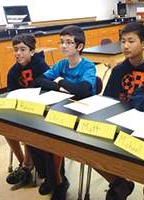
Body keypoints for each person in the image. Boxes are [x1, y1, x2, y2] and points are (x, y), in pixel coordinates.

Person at [32, 25, 96, 200]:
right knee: (36, 134)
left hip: (84, 114)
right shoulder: (61, 64)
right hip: (62, 109)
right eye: (61, 42)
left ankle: (56, 182)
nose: (63, 46)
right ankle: (55, 179)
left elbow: (83, 90)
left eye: (69, 43)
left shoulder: (88, 66)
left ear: (79, 47)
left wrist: (61, 80)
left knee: (54, 140)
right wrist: (60, 86)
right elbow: (39, 80)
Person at [99, 22, 144, 200]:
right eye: (123, 41)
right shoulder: (118, 70)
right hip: (119, 123)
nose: (125, 46)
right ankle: (119, 183)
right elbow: (108, 99)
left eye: (131, 41)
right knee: (91, 148)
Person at [5, 33, 50, 185]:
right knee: (7, 130)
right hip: (20, 110)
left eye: (22, 49)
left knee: (27, 129)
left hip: (40, 110)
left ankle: (26, 167)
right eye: (15, 49)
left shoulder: (42, 66)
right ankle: (24, 164)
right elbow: (11, 93)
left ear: (32, 51)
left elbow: (49, 90)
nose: (18, 53)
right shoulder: (12, 71)